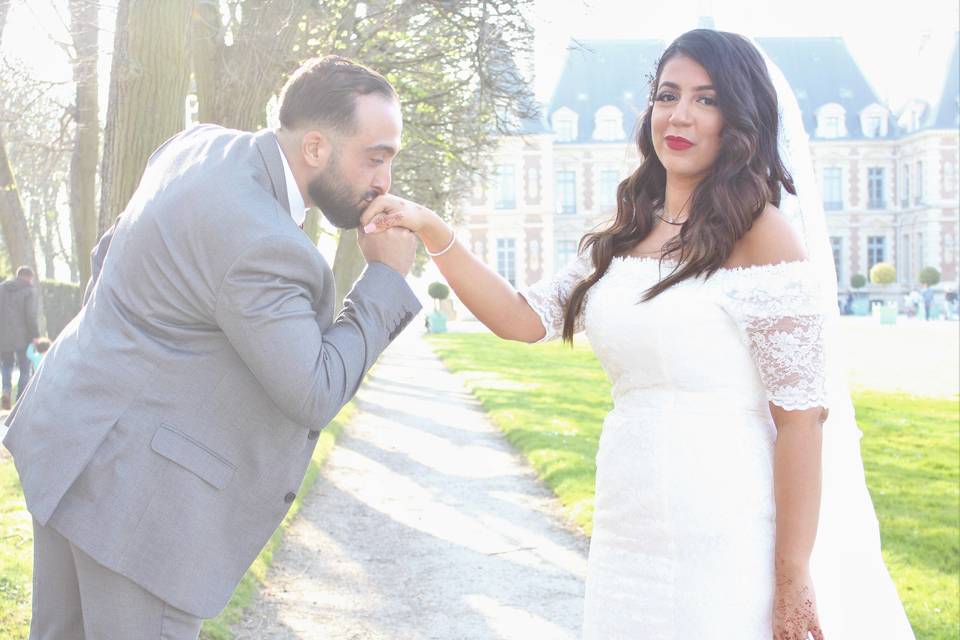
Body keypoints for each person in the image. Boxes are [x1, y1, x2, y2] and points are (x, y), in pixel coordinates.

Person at [362, 29, 914, 639]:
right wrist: (434, 231)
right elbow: (521, 318)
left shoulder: (764, 236)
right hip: (629, 517)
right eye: (667, 94)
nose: (679, 115)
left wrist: (791, 572)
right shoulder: (624, 232)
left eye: (707, 99)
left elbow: (801, 419)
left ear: (740, 118)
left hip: (727, 520)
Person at [3, 55, 420, 639]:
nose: (384, 182)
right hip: (137, 508)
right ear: (318, 148)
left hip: (68, 440)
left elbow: (108, 259)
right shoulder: (264, 241)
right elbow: (315, 389)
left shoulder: (194, 146)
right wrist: (385, 280)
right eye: (375, 159)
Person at [0, 266, 40, 409]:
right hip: (23, 337)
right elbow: (30, 316)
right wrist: (35, 336)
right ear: (28, 277)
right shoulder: (28, 291)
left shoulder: (2, 288)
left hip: (3, 336)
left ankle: (6, 390)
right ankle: (20, 401)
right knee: (24, 367)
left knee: (6, 365)